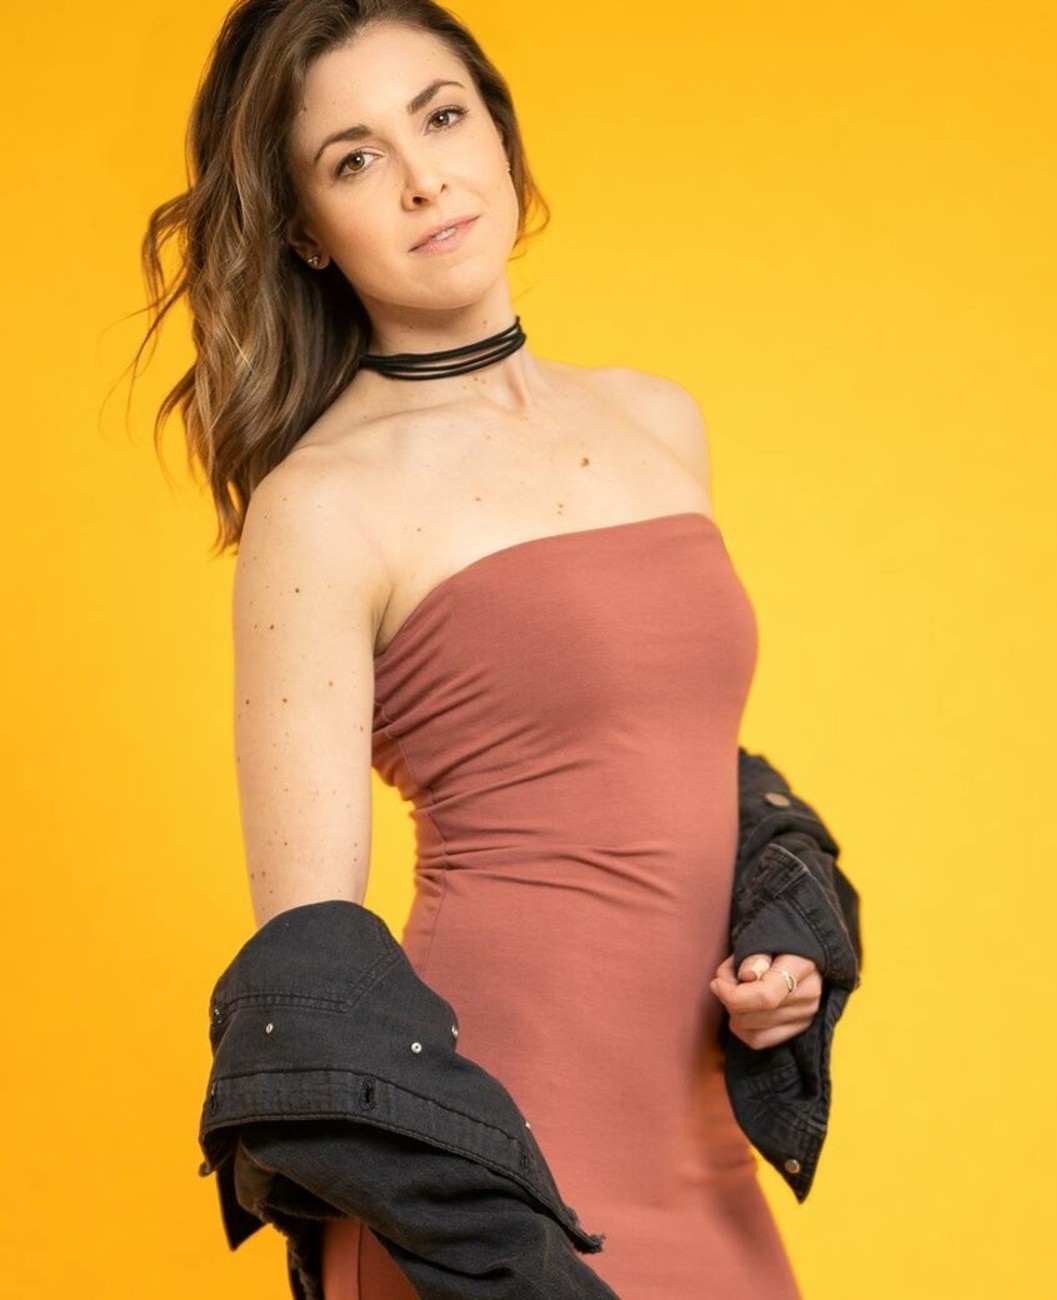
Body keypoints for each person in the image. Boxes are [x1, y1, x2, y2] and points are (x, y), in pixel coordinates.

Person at [137, 1, 833, 1295]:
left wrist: (777, 948)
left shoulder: (656, 419)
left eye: (442, 116)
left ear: (500, 136)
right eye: (355, 158)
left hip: (699, 1141)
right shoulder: (322, 504)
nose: (423, 178)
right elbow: (311, 960)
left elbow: (676, 763)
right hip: (496, 1160)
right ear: (304, 229)